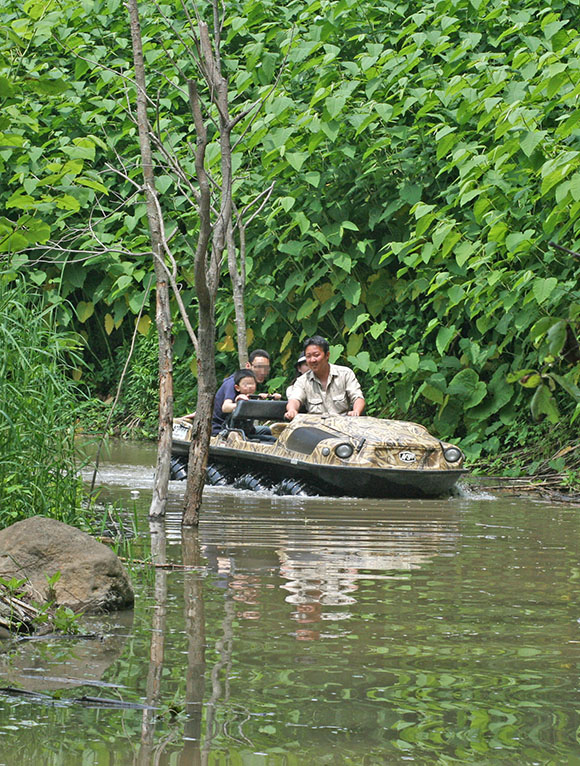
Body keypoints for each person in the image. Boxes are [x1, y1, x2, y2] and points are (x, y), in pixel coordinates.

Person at [285, 336, 365, 421]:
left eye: (316, 355)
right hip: (315, 428)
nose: (312, 360)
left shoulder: (345, 374)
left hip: (343, 426)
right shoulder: (302, 381)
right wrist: (292, 410)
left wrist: (356, 411)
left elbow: (358, 397)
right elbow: (294, 399)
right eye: (308, 356)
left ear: (327, 355)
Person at [212, 349, 277, 435]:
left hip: (241, 428)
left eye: (266, 368)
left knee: (267, 430)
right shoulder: (233, 382)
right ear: (248, 365)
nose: (262, 372)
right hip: (223, 430)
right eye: (259, 367)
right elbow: (226, 407)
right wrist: (246, 405)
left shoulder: (250, 383)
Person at [220, 369, 258, 435]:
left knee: (267, 430)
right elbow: (225, 408)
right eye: (246, 385)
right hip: (223, 429)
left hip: (243, 429)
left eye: (252, 384)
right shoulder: (231, 386)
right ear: (237, 388)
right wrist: (241, 404)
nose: (250, 387)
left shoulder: (249, 395)